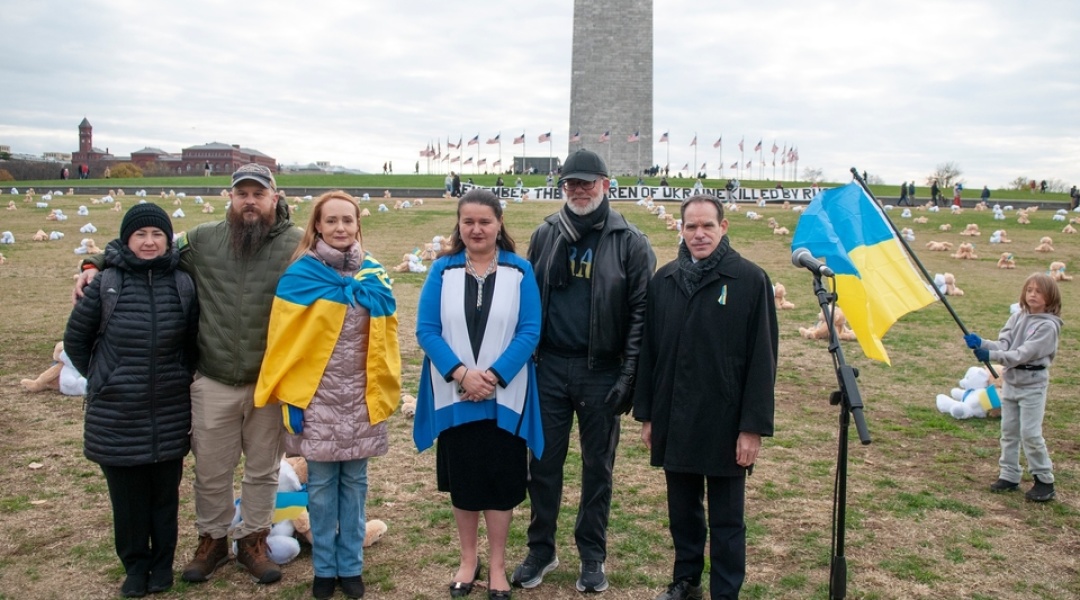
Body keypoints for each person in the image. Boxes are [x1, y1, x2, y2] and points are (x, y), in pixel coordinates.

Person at [74, 163, 303, 586]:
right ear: (228, 197)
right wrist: (94, 261)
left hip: (269, 382)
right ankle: (213, 539)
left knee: (263, 468)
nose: (249, 201)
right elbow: (148, 247)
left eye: (258, 193)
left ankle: (253, 539)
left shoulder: (297, 244)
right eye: (242, 193)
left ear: (275, 196)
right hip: (213, 376)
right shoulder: (202, 240)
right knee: (211, 469)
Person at [512, 149, 656, 593]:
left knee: (598, 469)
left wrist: (628, 376)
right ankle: (542, 549)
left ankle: (592, 555)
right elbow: (530, 300)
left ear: (606, 185)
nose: (578, 190)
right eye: (571, 183)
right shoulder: (546, 233)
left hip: (602, 370)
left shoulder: (630, 242)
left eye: (586, 183)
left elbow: (641, 314)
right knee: (543, 464)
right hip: (551, 366)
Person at [255, 191, 400, 599]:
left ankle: (350, 567)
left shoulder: (373, 275)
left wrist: (383, 390)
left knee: (355, 484)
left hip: (360, 398)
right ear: (317, 225)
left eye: (347, 221)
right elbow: (283, 340)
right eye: (331, 220)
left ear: (358, 225)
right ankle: (324, 569)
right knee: (319, 487)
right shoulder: (301, 276)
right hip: (316, 400)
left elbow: (387, 338)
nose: (340, 228)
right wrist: (290, 396)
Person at [633, 195, 777, 600]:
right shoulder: (664, 281)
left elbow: (763, 361)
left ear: (723, 227)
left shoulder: (749, 280)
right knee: (683, 511)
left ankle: (725, 591)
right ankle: (686, 580)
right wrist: (648, 415)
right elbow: (651, 354)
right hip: (676, 417)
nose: (699, 234)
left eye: (707, 226)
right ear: (680, 229)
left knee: (728, 518)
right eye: (691, 227)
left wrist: (752, 427)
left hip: (726, 421)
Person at [414, 189, 544, 600]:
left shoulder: (520, 271)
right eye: (468, 221)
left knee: (502, 483)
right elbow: (426, 330)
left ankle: (500, 566)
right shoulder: (443, 270)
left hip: (503, 396)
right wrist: (461, 375)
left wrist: (492, 376)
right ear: (459, 224)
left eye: (484, 221)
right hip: (456, 395)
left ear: (499, 223)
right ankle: (469, 560)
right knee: (465, 482)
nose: (476, 229)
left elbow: (530, 331)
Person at [64, 203, 199, 597]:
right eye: (140, 234)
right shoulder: (105, 283)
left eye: (157, 234)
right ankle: (135, 567)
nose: (149, 242)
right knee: (127, 501)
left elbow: (192, 341)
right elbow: (76, 341)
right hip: (117, 412)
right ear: (126, 239)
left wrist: (178, 374)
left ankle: (163, 566)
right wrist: (103, 377)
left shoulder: (183, 283)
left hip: (169, 409)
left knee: (164, 497)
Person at [964, 273, 1062, 503]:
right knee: (1008, 432)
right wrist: (982, 343)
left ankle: (1044, 480)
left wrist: (992, 355)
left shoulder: (1049, 326)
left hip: (1033, 385)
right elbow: (1005, 344)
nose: (1032, 295)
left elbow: (1023, 353)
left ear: (1050, 297)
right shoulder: (1018, 317)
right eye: (1029, 290)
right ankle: (1009, 474)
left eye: (1038, 291)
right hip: (1011, 382)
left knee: (1030, 433)